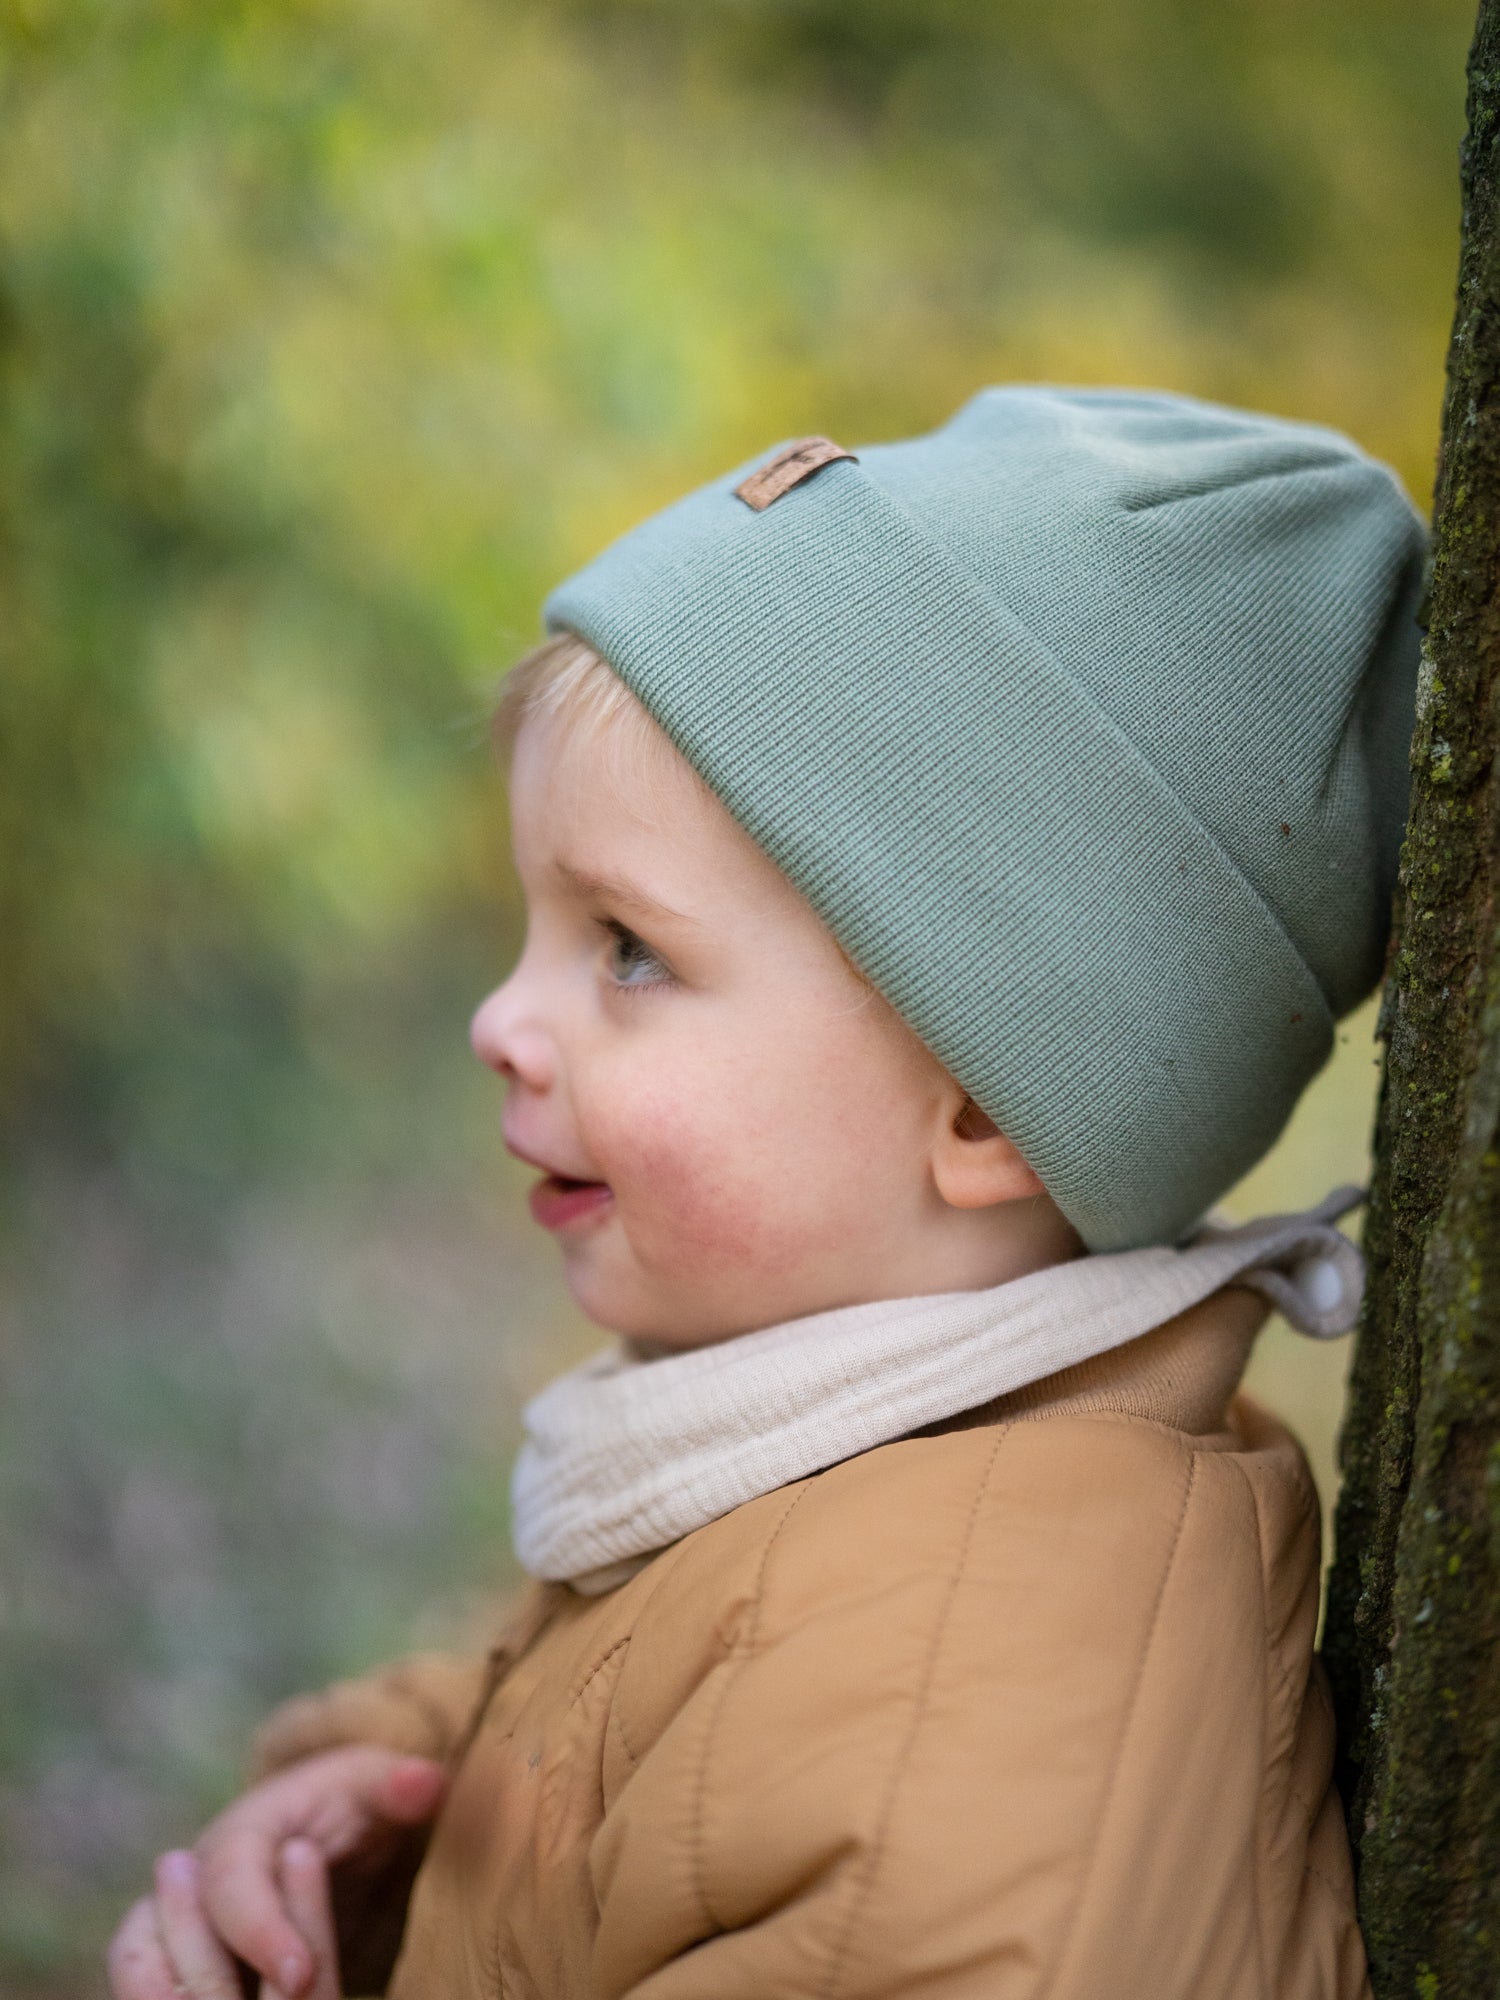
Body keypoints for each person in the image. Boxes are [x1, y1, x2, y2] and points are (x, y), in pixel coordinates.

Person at [107, 386, 1425, 2000]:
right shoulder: (864, 1479)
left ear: (979, 1108)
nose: (499, 1023)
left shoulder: (967, 1715)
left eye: (631, 950)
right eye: (536, 930)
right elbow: (641, 1737)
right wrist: (390, 1829)